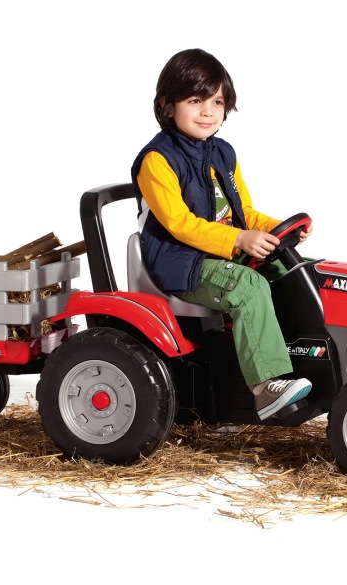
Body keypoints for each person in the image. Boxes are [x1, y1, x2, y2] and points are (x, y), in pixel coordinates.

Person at [131, 48, 313, 421]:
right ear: (167, 105)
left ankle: (305, 358)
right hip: (182, 263)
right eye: (195, 101)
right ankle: (266, 387)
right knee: (249, 287)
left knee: (298, 271)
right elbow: (179, 223)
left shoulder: (223, 153)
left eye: (216, 102)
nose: (208, 112)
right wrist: (238, 241)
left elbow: (243, 213)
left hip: (221, 255)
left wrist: (274, 227)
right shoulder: (157, 160)